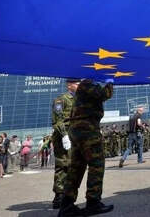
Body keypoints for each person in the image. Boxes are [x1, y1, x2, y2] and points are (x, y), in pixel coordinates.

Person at [58, 79, 114, 217]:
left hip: (79, 130)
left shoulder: (85, 86)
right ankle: (93, 203)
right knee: (96, 165)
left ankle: (66, 205)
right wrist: (110, 83)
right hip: (87, 130)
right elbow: (104, 94)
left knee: (76, 168)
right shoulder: (87, 84)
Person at [51, 78, 79, 208]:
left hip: (74, 136)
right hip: (63, 137)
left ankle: (67, 196)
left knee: (72, 165)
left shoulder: (78, 99)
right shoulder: (61, 100)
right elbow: (58, 120)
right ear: (69, 85)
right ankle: (59, 196)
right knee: (63, 165)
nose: (79, 86)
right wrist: (64, 135)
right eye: (77, 84)